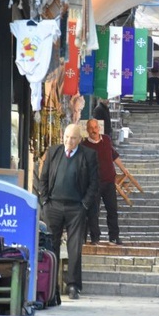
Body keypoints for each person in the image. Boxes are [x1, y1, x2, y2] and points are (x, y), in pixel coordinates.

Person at [36, 123, 99, 300]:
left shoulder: (88, 155)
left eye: (72, 138)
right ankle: (50, 284)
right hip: (53, 206)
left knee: (75, 247)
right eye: (66, 137)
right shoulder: (54, 152)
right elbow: (44, 178)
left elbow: (94, 183)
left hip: (76, 207)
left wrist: (85, 205)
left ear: (79, 139)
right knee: (51, 244)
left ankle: (73, 285)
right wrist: (45, 200)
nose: (68, 141)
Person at [81, 118, 124, 245]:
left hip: (109, 181)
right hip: (94, 183)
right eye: (91, 128)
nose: (94, 130)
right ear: (87, 130)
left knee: (112, 210)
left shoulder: (106, 139)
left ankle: (114, 237)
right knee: (93, 212)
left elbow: (113, 155)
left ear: (99, 128)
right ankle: (95, 237)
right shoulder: (84, 146)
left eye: (95, 127)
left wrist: (124, 170)